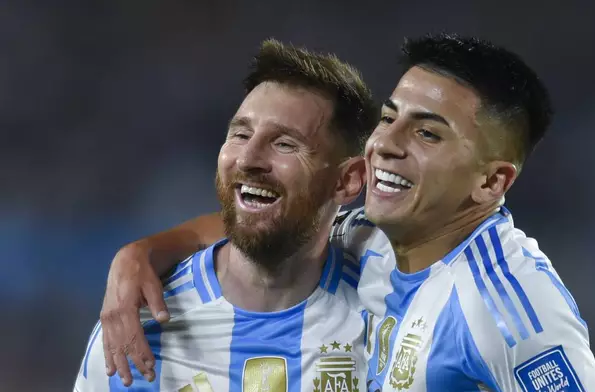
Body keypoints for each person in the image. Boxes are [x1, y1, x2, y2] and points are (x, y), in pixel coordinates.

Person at [100, 34, 595, 392]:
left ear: (491, 182)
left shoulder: (503, 309)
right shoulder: (381, 236)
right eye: (390, 118)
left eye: (427, 133)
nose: (386, 143)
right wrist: (141, 252)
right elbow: (276, 219)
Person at [74, 38, 378, 391]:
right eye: (240, 134)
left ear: (348, 180)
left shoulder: (385, 299)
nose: (248, 159)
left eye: (284, 144)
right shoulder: (134, 332)